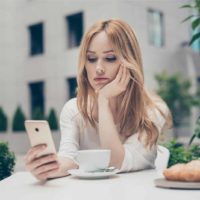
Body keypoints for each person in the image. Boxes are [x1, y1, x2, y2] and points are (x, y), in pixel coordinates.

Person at [24, 18, 172, 181]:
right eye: (91, 59)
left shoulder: (153, 110)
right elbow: (69, 158)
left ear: (130, 62)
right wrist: (47, 167)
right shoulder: (74, 110)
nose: (99, 68)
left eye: (110, 58)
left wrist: (103, 101)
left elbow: (115, 163)